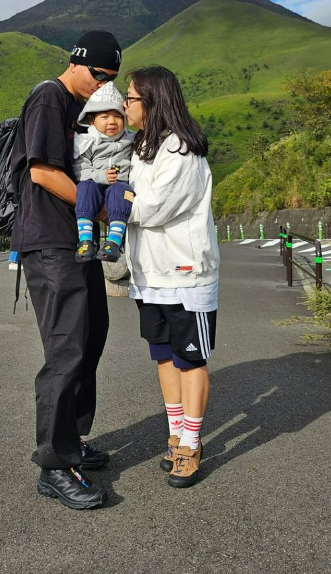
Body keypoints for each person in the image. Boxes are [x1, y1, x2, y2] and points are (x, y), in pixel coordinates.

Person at [9, 30, 122, 510]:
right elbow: (42, 172)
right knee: (66, 348)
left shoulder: (76, 109)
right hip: (50, 242)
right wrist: (97, 211)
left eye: (111, 79)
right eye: (98, 74)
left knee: (92, 335)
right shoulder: (49, 96)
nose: (102, 85)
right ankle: (54, 465)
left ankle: (73, 439)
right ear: (75, 63)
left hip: (75, 244)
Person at [123, 65, 220, 488]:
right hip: (150, 273)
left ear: (152, 101)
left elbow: (151, 208)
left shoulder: (180, 150)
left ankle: (192, 443)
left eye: (130, 98)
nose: (124, 106)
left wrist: (112, 201)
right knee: (163, 355)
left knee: (189, 358)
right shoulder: (143, 147)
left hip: (185, 274)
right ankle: (176, 433)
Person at [73, 83, 135, 263]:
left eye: (118, 116)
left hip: (119, 185)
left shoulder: (131, 139)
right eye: (105, 116)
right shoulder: (87, 141)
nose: (112, 122)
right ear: (92, 120)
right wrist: (101, 176)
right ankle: (85, 240)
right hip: (94, 185)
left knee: (121, 191)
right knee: (85, 187)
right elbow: (79, 169)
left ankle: (114, 242)